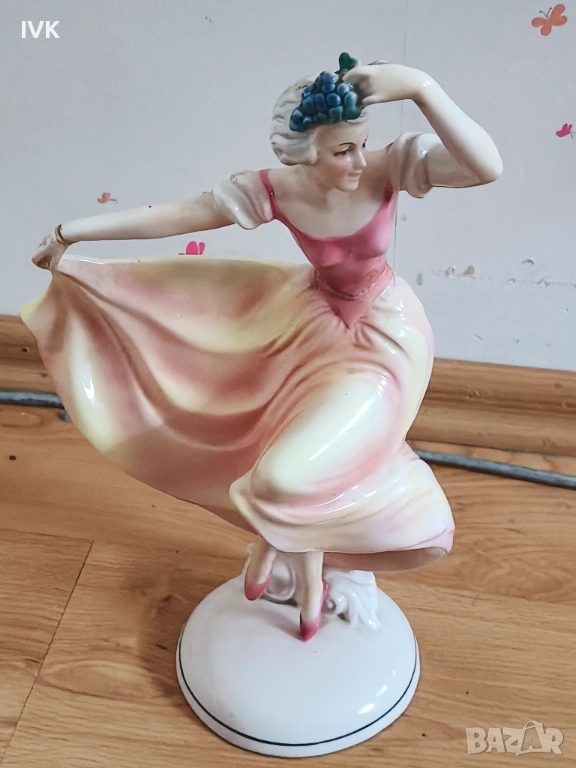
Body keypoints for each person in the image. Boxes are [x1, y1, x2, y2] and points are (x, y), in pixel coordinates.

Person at [24, 55, 502, 640]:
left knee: (290, 475)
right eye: (342, 151)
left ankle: (326, 535)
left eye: (361, 145)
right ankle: (298, 545)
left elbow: (485, 167)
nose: (358, 162)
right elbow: (178, 215)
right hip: (310, 327)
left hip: (383, 335)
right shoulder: (276, 190)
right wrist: (71, 232)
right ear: (305, 153)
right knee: (237, 433)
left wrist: (423, 89)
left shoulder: (386, 168)